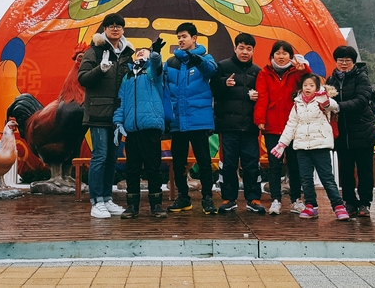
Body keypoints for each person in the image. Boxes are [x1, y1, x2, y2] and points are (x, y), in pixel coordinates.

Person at [270, 73, 350, 220]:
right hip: (302, 147)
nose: (308, 88)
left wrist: (324, 100)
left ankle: (338, 206)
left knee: (327, 178)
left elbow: (333, 106)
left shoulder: (322, 100)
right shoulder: (297, 104)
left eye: (311, 85)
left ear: (317, 87)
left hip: (320, 146)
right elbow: (291, 125)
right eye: (305, 85)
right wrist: (282, 144)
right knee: (306, 179)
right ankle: (311, 206)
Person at [78, 13, 135, 219]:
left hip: (118, 115)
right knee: (100, 156)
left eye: (119, 25)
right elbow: (82, 78)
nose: (115, 28)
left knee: (112, 158)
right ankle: (96, 202)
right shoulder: (94, 51)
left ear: (123, 29)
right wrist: (99, 70)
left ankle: (107, 198)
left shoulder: (128, 53)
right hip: (98, 113)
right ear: (104, 29)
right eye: (111, 25)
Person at [164, 22, 218, 214]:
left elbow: (211, 71)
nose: (181, 40)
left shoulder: (205, 58)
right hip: (178, 120)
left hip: (198, 120)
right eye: (178, 37)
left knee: (204, 161)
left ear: (194, 38)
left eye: (184, 36)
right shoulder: (171, 62)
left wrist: (196, 59)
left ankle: (207, 199)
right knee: (178, 162)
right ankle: (183, 198)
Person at [113, 38, 167, 219]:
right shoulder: (127, 77)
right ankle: (132, 206)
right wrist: (118, 122)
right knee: (132, 169)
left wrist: (155, 53)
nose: (140, 52)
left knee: (153, 167)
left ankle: (156, 205)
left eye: (144, 51)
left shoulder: (152, 73)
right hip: (132, 130)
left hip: (150, 127)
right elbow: (121, 102)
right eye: (138, 51)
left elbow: (157, 64)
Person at [254, 40, 310, 215]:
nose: (281, 56)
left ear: (291, 56)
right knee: (274, 165)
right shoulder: (264, 73)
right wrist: (260, 119)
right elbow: (262, 97)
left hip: (294, 126)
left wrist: (303, 70)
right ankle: (276, 200)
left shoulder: (296, 72)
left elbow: (309, 84)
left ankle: (296, 200)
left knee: (294, 165)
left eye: (285, 53)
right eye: (277, 53)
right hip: (272, 127)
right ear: (272, 56)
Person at [210, 33, 264, 214]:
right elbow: (213, 90)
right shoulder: (222, 66)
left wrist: (258, 97)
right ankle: (228, 199)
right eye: (241, 48)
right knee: (228, 164)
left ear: (253, 51)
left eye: (249, 49)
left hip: (250, 126)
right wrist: (224, 83)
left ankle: (253, 199)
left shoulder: (257, 71)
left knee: (252, 164)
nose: (245, 52)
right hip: (228, 126)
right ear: (235, 48)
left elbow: (264, 97)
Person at [326, 46, 375, 218]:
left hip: (363, 130)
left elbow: (362, 100)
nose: (343, 63)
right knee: (346, 170)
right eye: (340, 60)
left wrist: (338, 107)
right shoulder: (331, 79)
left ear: (353, 62)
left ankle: (365, 202)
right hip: (342, 132)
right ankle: (349, 201)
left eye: (347, 60)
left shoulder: (361, 77)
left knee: (365, 170)